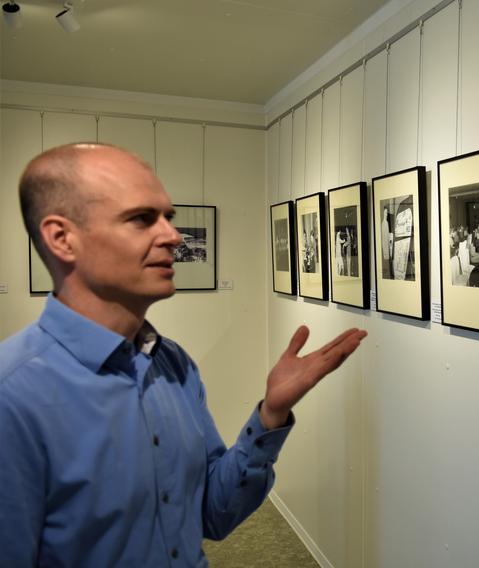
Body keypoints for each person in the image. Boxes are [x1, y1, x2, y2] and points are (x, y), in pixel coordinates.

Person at [0, 143, 368, 566]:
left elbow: (213, 513)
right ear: (62, 238)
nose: (174, 236)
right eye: (142, 219)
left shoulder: (172, 364)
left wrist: (271, 415)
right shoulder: (13, 397)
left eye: (168, 218)